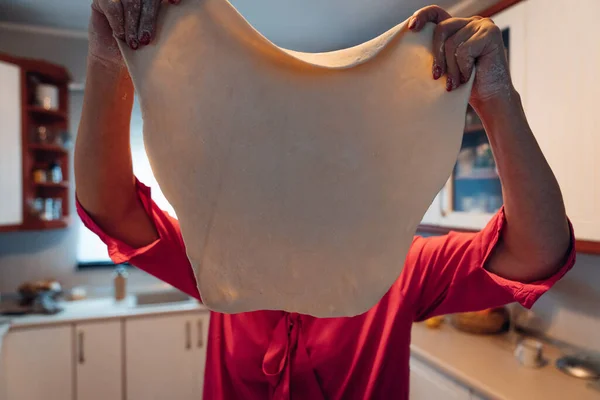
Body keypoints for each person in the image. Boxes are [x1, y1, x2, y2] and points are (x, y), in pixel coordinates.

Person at [76, 1, 575, 399]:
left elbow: (537, 252)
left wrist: (497, 98)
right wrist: (106, 59)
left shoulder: (402, 266)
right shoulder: (221, 250)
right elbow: (113, 210)